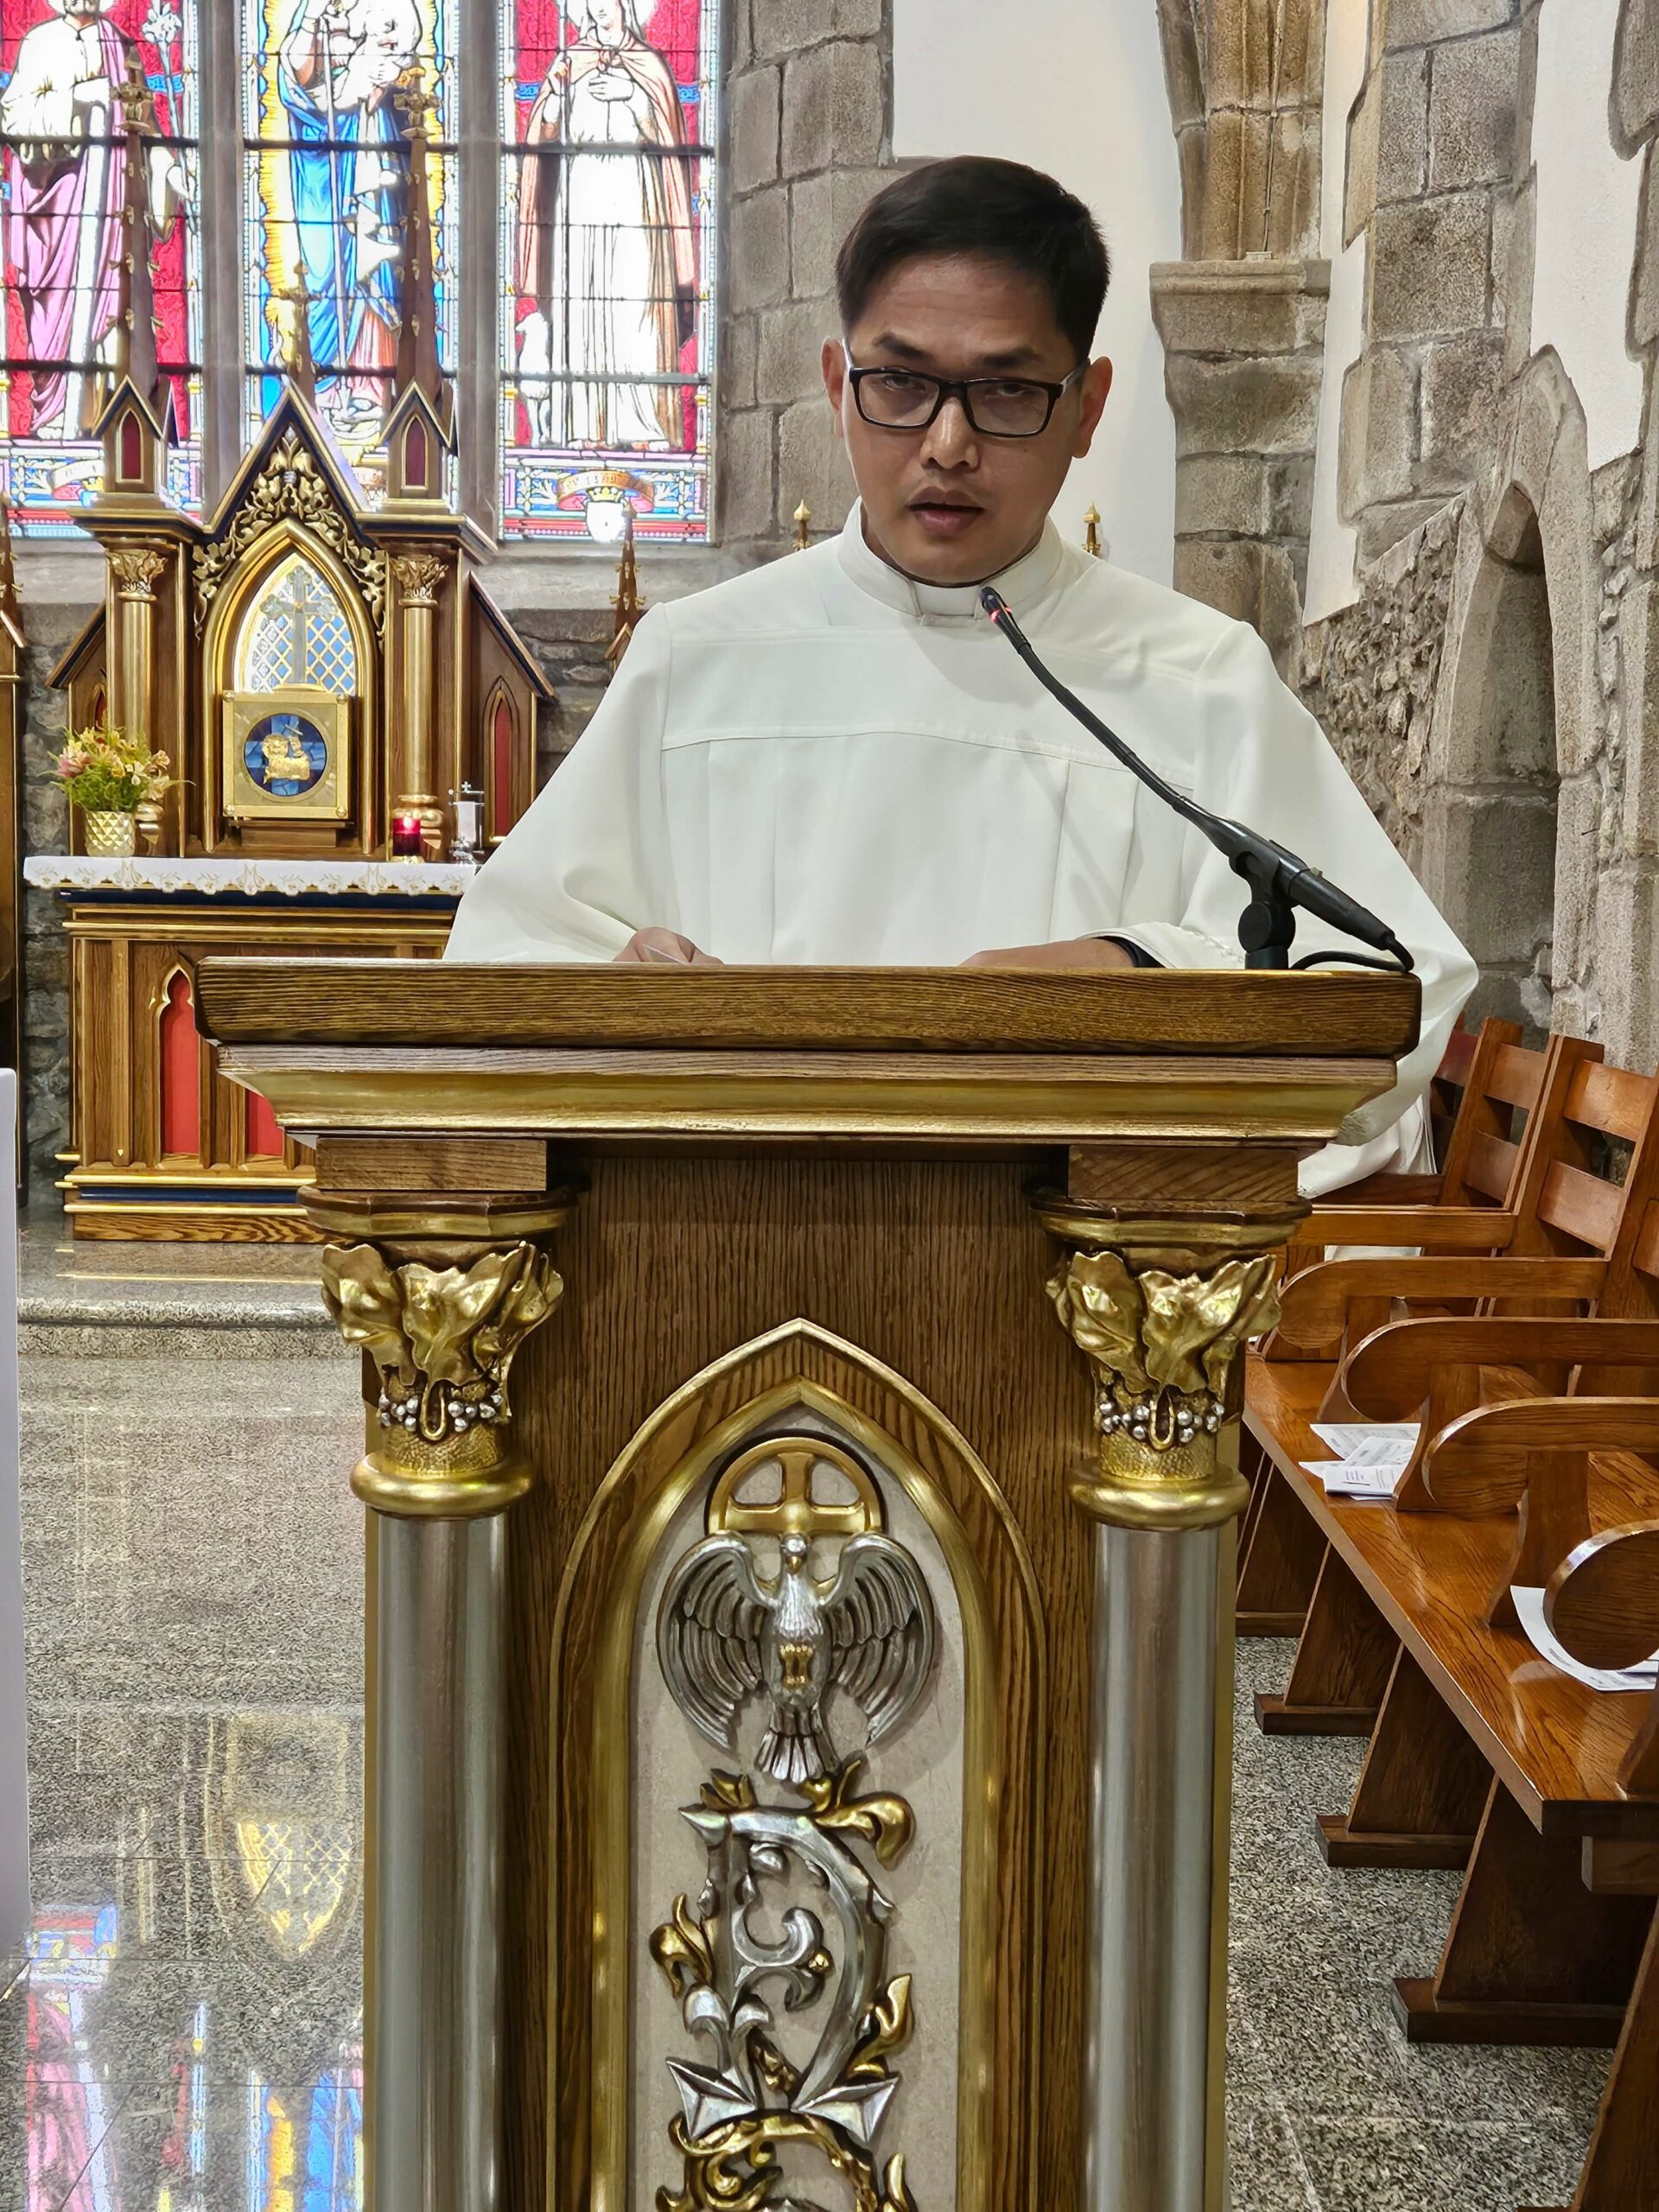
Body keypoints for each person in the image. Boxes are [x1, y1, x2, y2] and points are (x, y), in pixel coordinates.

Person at [448, 156, 1476, 1191]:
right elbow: (500, 958)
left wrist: (1133, 966)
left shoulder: (1198, 674)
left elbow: (1397, 990)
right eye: (901, 383)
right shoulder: (696, 659)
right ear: (836, 388)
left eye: (1006, 390)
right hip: (739, 1240)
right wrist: (616, 990)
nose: (948, 444)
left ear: (1087, 407)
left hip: (1084, 1270)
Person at [514, 0, 697, 449]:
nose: (597, 11)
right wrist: (555, 101)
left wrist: (631, 95)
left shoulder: (648, 66)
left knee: (638, 304)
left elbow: (667, 137)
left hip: (635, 195)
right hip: (580, 195)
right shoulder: (570, 61)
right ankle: (583, 427)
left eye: (605, 2)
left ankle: (645, 426)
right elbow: (543, 134)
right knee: (583, 304)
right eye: (589, 3)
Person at [3, 0, 184, 437]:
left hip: (110, 219)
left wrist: (170, 171)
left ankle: (110, 425)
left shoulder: (122, 48)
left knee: (114, 313)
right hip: (54, 211)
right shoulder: (39, 43)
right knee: (54, 321)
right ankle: (56, 417)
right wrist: (76, 102)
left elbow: (144, 132)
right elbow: (15, 118)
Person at [276, 0, 421, 426]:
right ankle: (323, 385)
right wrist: (313, 19)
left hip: (373, 157)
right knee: (327, 269)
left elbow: (406, 62)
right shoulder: (319, 13)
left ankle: (371, 387)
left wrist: (383, 76)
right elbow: (297, 78)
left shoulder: (387, 21)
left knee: (374, 266)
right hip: (326, 166)